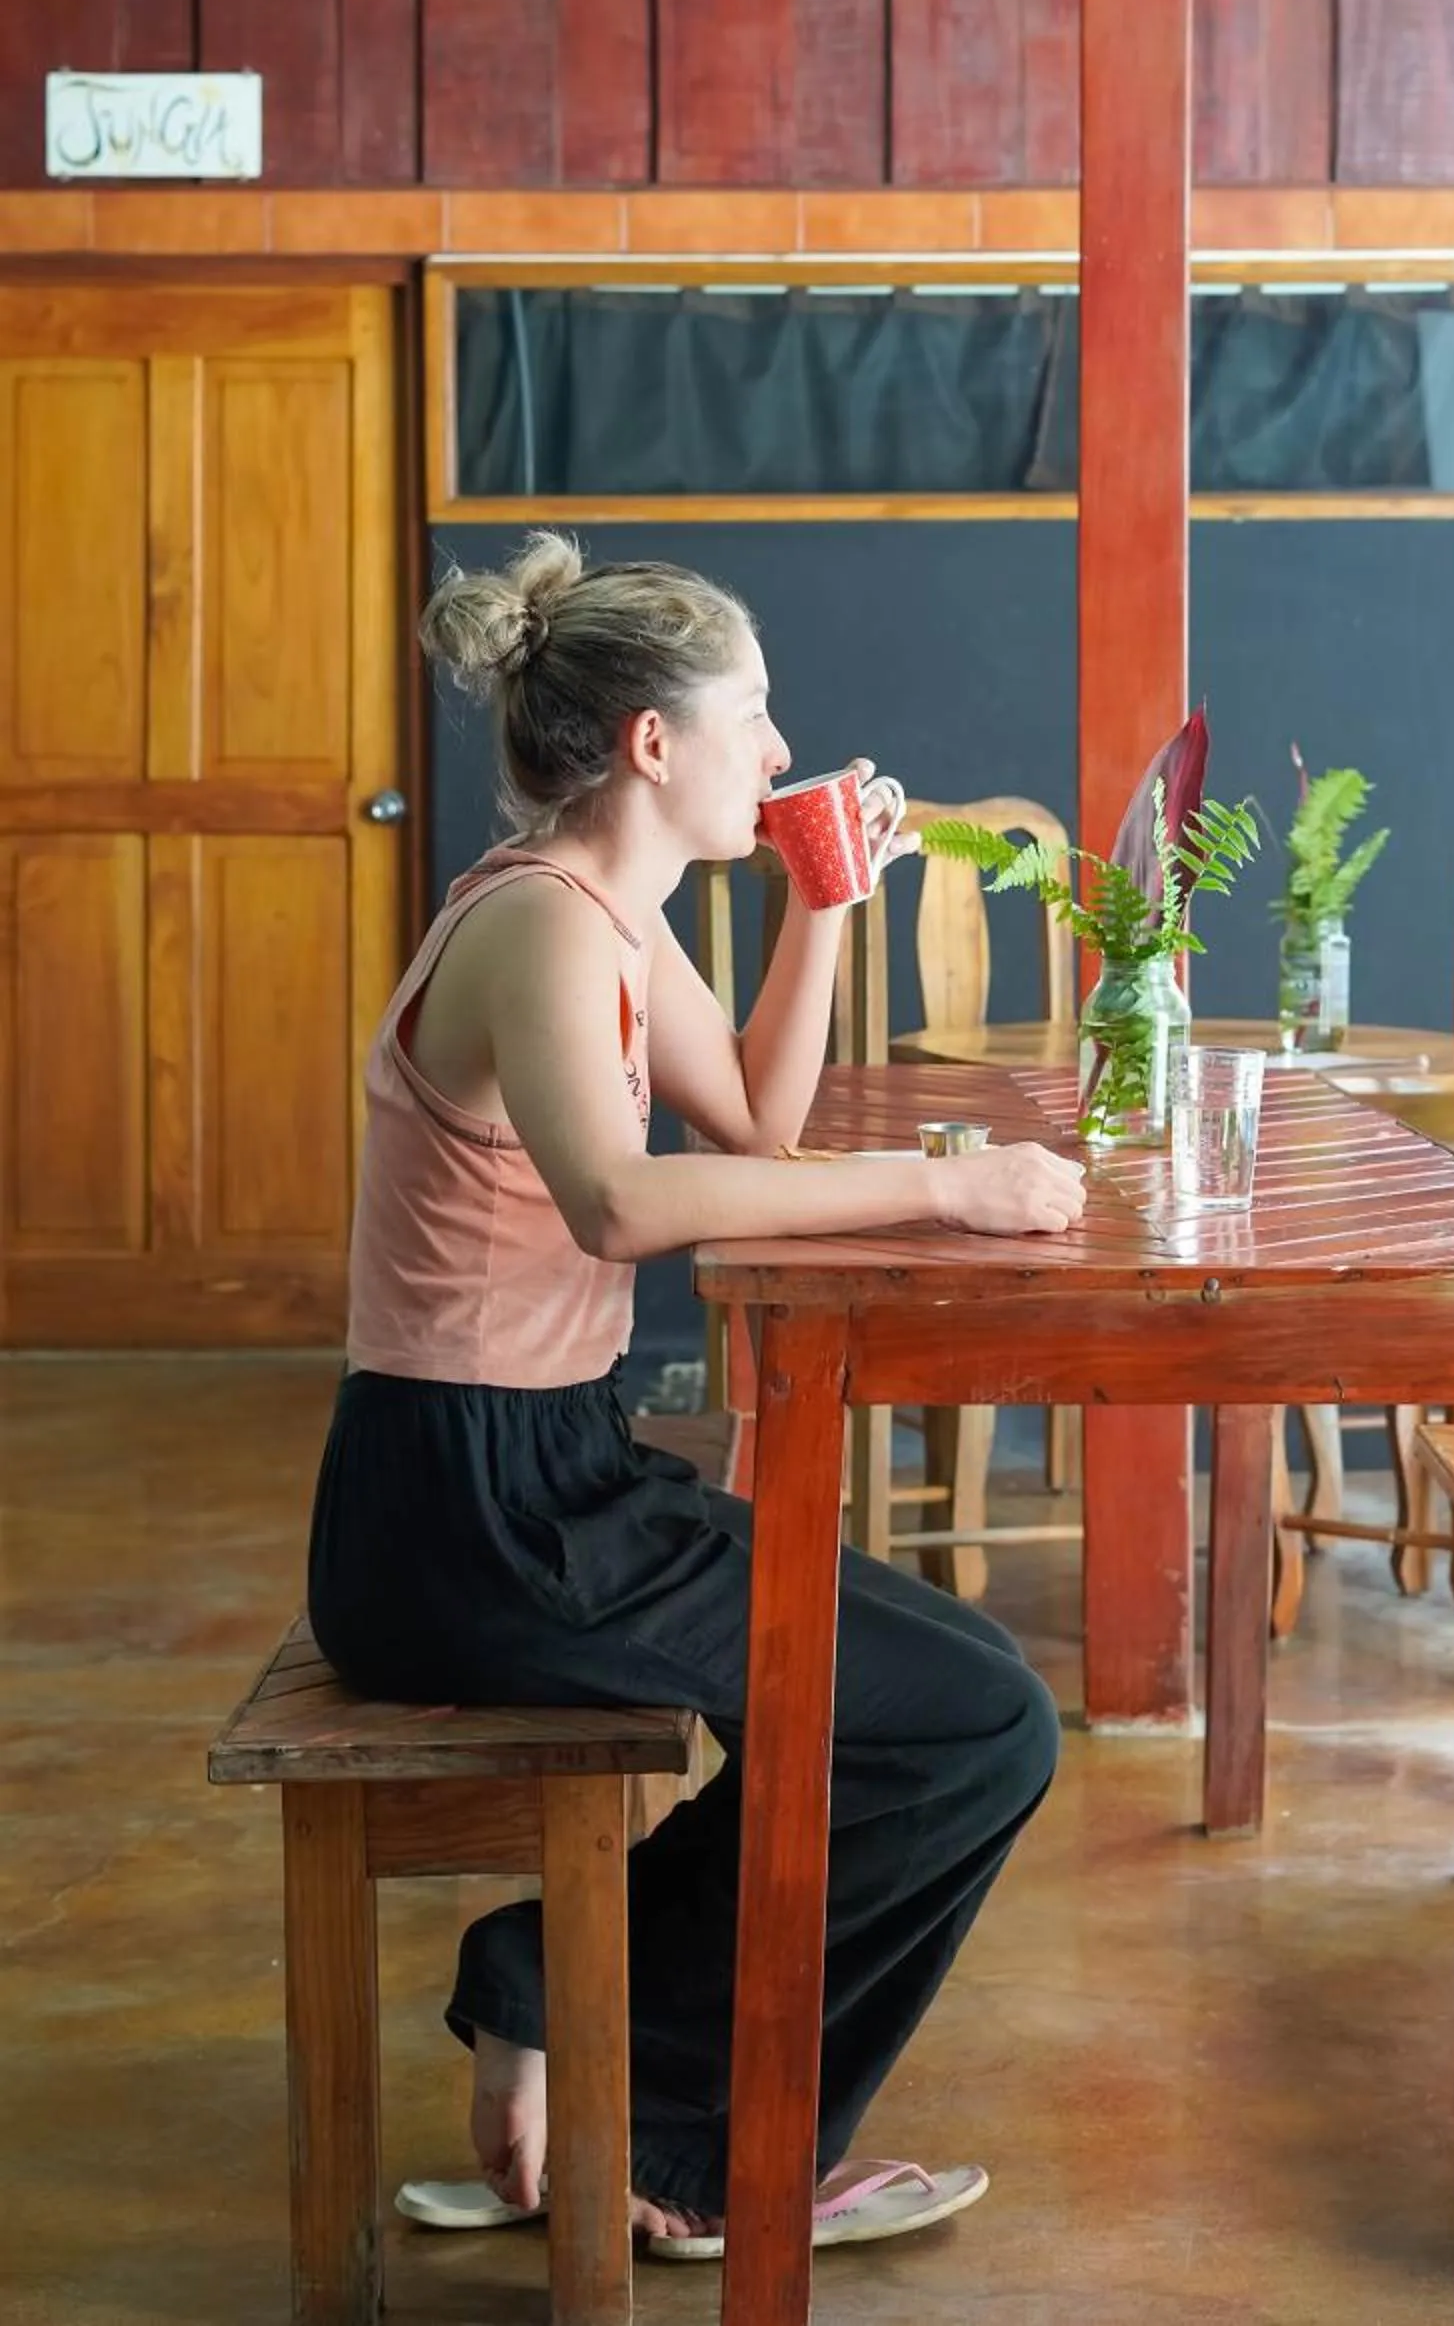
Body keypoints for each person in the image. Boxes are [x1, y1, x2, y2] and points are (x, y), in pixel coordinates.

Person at [306, 532, 1085, 2259]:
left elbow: (753, 1122)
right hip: (465, 1517)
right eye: (756, 714)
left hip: (546, 1477)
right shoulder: (535, 925)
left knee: (966, 1711)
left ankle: (591, 2027)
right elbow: (622, 1203)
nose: (783, 749)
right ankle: (686, 2137)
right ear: (654, 742)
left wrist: (826, 901)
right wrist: (945, 1188)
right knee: (974, 1723)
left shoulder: (605, 914)